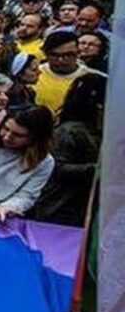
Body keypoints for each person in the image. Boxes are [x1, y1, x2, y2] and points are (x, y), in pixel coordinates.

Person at [29, 73, 105, 226]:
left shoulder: (97, 130)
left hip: (84, 206)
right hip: (60, 208)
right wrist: (99, 170)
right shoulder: (68, 132)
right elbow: (57, 167)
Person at [33, 31, 91, 116]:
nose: (61, 60)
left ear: (78, 53)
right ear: (45, 54)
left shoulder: (92, 79)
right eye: (54, 55)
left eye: (68, 55)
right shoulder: (33, 74)